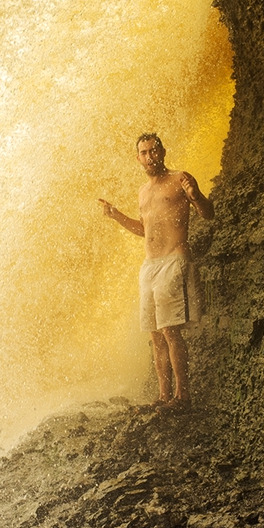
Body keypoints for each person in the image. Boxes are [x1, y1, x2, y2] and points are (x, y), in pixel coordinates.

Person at [99, 133, 214, 413]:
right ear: (137, 158)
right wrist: (115, 214)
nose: (149, 157)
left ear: (162, 151)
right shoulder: (142, 191)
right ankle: (164, 396)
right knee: (154, 334)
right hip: (149, 266)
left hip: (174, 260)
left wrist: (195, 196)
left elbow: (208, 213)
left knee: (170, 330)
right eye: (144, 152)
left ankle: (182, 397)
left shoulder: (180, 178)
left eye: (153, 150)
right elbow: (144, 230)